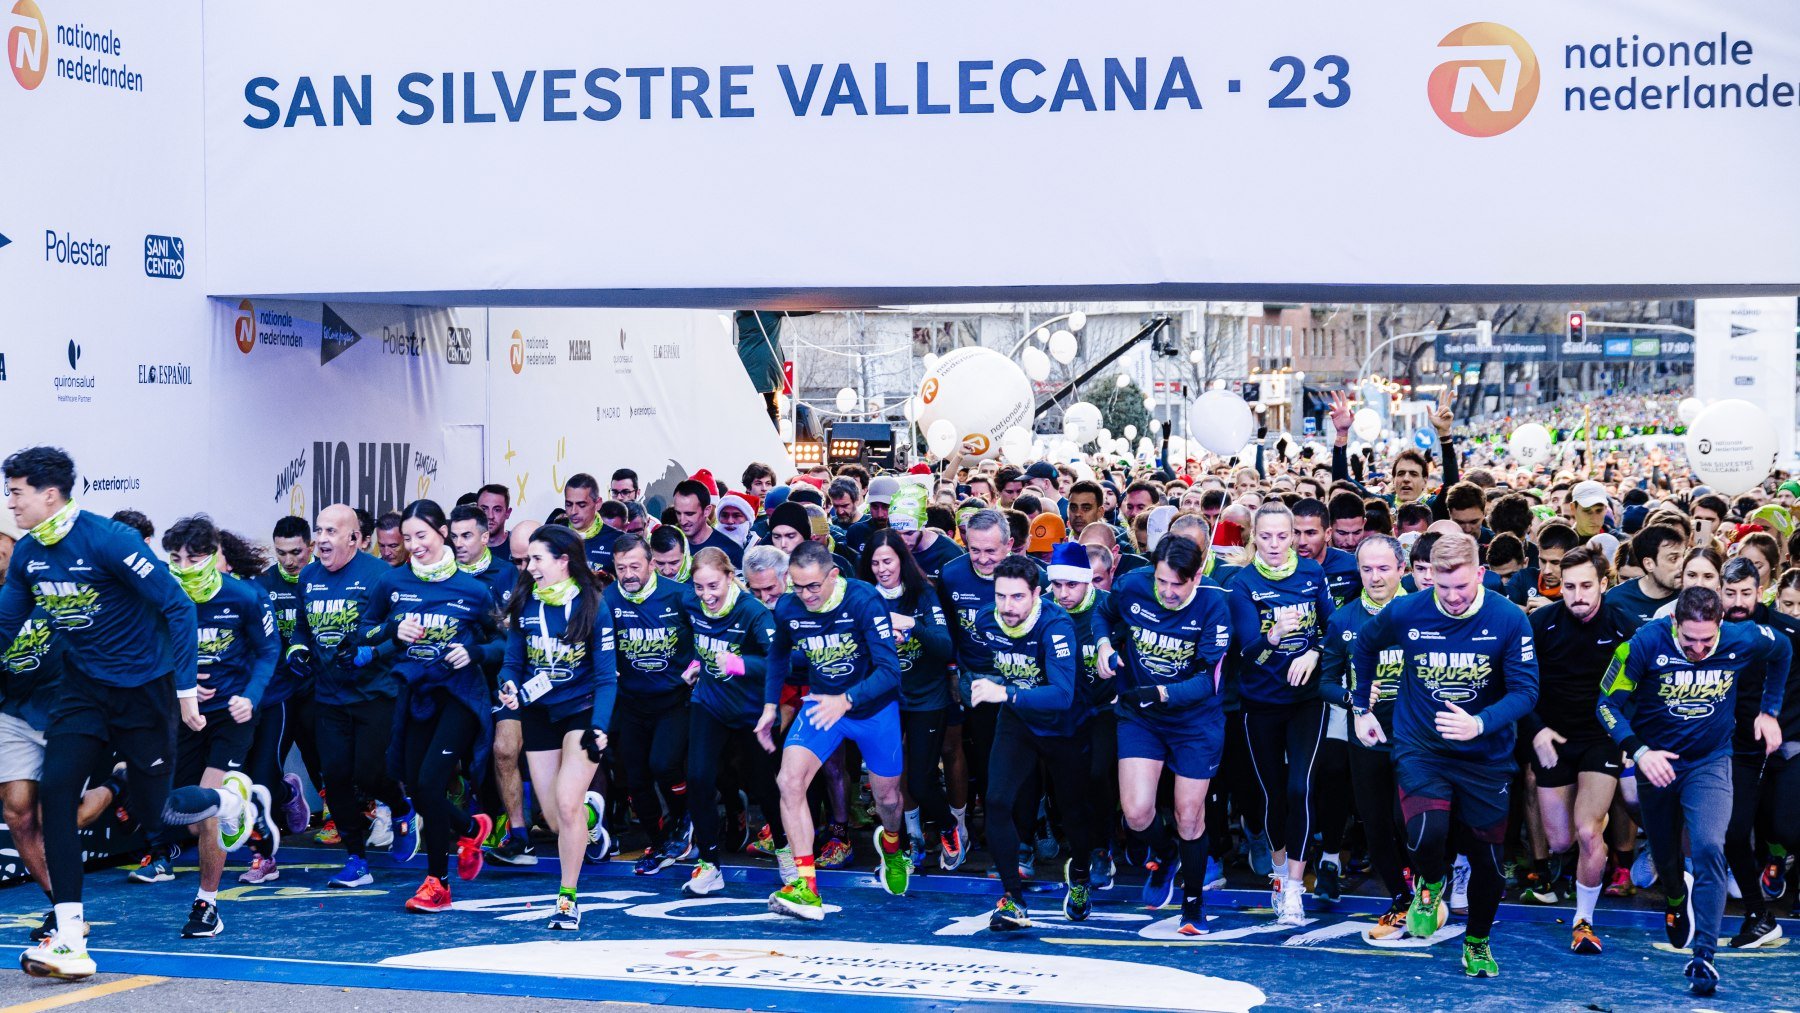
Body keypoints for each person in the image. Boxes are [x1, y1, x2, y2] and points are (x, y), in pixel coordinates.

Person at [0, 447, 199, 980]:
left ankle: (229, 805)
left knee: (159, 815)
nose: (10, 502)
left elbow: (178, 606)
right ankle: (69, 939)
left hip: (145, 692)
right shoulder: (27, 556)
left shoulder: (110, 540)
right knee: (56, 794)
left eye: (16, 491)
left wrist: (185, 690)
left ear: (49, 494)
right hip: (82, 692)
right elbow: (4, 626)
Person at [1353, 532, 1538, 980]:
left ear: (1480, 573)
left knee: (1490, 865)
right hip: (1422, 746)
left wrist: (1480, 723)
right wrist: (1361, 708)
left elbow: (1526, 691)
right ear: (1428, 577)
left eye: (1463, 586)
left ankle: (1476, 943)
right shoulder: (1407, 610)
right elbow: (1363, 646)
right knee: (1425, 833)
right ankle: (1431, 884)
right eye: (1443, 586)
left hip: (1485, 755)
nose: (1453, 597)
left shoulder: (1509, 618)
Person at [1598, 586, 1788, 998]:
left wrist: (1769, 711)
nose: (1699, 649)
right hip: (1658, 762)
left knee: (1708, 847)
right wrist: (1639, 750)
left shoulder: (1744, 637)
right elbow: (1605, 705)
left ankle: (1703, 955)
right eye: (1689, 640)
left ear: (1720, 625)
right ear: (1673, 625)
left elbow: (1784, 650)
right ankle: (1672, 895)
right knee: (1667, 857)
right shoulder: (1645, 643)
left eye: (1707, 640)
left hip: (1710, 760)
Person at [360, 500, 502, 912]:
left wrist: (474, 652)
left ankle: (437, 883)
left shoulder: (473, 589)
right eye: (407, 538)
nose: (414, 545)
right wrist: (393, 629)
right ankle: (471, 826)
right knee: (413, 784)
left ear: (442, 531)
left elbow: (505, 643)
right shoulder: (392, 582)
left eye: (421, 535)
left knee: (429, 785)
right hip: (415, 694)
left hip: (458, 696)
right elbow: (365, 632)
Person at [759, 541, 908, 921]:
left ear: (833, 576)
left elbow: (890, 671)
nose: (805, 595)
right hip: (823, 706)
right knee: (789, 780)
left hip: (871, 708)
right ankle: (806, 885)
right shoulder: (790, 607)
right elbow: (777, 655)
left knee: (888, 799)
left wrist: (847, 699)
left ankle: (892, 847)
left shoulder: (863, 600)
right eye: (797, 586)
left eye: (814, 587)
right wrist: (770, 706)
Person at [1097, 536, 1237, 935]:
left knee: (1189, 816)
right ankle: (1164, 852)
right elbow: (1102, 614)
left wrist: (1160, 691)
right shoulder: (1133, 585)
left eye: (1178, 584)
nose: (1168, 592)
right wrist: (1105, 646)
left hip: (1195, 722)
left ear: (1196, 578)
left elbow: (1208, 682)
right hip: (1142, 717)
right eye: (1162, 582)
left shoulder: (1214, 606)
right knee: (1136, 812)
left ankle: (1193, 901)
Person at [158, 515, 280, 938]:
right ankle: (245, 806)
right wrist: (182, 688)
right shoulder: (163, 595)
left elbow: (268, 652)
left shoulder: (246, 596)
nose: (184, 565)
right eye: (175, 558)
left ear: (213, 557)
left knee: (204, 809)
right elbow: (152, 652)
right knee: (185, 815)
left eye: (192, 557)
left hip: (233, 714)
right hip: (185, 714)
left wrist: (250, 696)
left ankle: (206, 905)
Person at [289, 504, 418, 891]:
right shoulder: (308, 576)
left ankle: (400, 807)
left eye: (331, 532)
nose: (322, 540)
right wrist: (296, 650)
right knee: (337, 778)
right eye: (319, 531)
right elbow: (300, 627)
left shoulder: (381, 576)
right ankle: (356, 859)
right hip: (328, 697)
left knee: (368, 773)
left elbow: (400, 631)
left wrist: (367, 647)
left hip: (375, 694)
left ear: (354, 538)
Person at [496, 524, 615, 929]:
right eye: (527, 560)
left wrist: (599, 725)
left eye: (537, 559)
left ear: (564, 561)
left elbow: (607, 678)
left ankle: (567, 898)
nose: (529, 568)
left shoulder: (594, 605)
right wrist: (508, 685)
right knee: (551, 818)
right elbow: (512, 661)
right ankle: (591, 818)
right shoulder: (525, 600)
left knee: (565, 802)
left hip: (580, 711)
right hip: (538, 711)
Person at [1225, 502, 1334, 925]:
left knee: (1298, 787)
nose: (1273, 545)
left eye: (1282, 536)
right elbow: (1247, 652)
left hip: (1306, 700)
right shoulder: (1242, 583)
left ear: (1294, 536)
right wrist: (1274, 634)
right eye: (1265, 537)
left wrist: (1314, 651)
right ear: (1254, 538)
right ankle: (1277, 870)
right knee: (1271, 793)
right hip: (1261, 703)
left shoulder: (1312, 574)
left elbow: (1334, 629)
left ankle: (1294, 887)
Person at [972, 555, 1090, 931]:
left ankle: (1082, 877)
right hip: (1018, 721)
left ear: (1037, 594)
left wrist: (1004, 692)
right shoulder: (985, 620)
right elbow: (972, 665)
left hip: (1064, 727)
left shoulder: (1056, 626)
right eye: (1001, 596)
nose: (1008, 606)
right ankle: (1012, 899)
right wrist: (973, 686)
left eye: (1018, 597)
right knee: (996, 800)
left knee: (1075, 813)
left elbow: (1061, 695)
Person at [1522, 546, 1627, 953]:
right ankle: (1592, 853)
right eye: (1569, 587)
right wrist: (1537, 731)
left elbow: (1639, 687)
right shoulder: (1541, 623)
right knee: (1562, 841)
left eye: (1586, 585)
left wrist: (1628, 740)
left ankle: (1584, 920)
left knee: (1586, 830)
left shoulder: (1624, 625)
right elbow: (1520, 683)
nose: (1577, 594)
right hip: (1553, 739)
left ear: (1604, 584)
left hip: (1602, 738)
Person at [678, 547, 786, 898]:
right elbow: (697, 640)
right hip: (708, 702)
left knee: (763, 787)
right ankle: (710, 865)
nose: (706, 595)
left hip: (748, 711)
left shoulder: (753, 612)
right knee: (697, 777)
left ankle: (784, 849)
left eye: (713, 586)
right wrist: (697, 662)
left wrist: (741, 665)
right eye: (699, 587)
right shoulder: (691, 604)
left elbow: (776, 662)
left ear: (729, 577)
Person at [1320, 534, 1412, 938]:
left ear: (1402, 569)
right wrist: (1349, 696)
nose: (1375, 577)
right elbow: (1323, 681)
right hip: (1366, 733)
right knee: (1375, 823)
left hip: (1416, 734)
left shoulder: (1424, 611)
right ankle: (1400, 898)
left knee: (1408, 818)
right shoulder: (1344, 618)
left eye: (1384, 568)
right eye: (1367, 569)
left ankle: (1430, 885)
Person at [861, 529, 961, 871]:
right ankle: (902, 848)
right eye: (874, 563)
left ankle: (949, 828)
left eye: (887, 560)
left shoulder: (923, 595)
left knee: (921, 778)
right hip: (885, 701)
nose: (881, 569)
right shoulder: (863, 597)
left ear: (902, 560)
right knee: (886, 782)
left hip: (925, 699)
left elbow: (945, 646)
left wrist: (910, 626)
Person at [604, 533, 699, 874]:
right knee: (634, 778)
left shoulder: (680, 595)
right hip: (630, 702)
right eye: (621, 567)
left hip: (674, 700)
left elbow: (708, 634)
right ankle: (659, 843)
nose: (628, 574)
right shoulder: (609, 597)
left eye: (634, 566)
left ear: (650, 564)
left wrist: (698, 663)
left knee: (664, 765)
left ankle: (684, 815)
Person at [1717, 557, 1800, 949]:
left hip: (1788, 746)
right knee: (1733, 832)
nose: (1737, 601)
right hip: (1736, 751)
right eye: (1729, 593)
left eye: (1745, 593)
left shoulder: (1785, 631)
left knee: (1784, 827)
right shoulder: (1706, 629)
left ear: (1759, 591)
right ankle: (1757, 915)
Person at [245, 515, 319, 877]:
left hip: (319, 690)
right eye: (281, 553)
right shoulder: (261, 587)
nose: (289, 560)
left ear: (311, 547)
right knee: (259, 774)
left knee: (326, 765)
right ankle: (265, 857)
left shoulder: (322, 579)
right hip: (277, 693)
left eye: (296, 552)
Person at [1606, 525, 1684, 629]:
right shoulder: (1616, 600)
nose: (1682, 565)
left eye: (1683, 556)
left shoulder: (1691, 596)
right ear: (1649, 564)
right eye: (1673, 558)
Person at [673, 479, 745, 569]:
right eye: (678, 513)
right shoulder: (670, 543)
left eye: (689, 514)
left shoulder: (731, 551)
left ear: (707, 511)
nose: (682, 521)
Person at [565, 474, 618, 575]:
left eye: (581, 505)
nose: (573, 511)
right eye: (568, 504)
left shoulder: (616, 540)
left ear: (598, 503)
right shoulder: (554, 536)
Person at [477, 483, 514, 552]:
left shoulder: (517, 544)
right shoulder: (468, 547)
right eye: (484, 509)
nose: (490, 516)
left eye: (497, 510)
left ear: (507, 513)